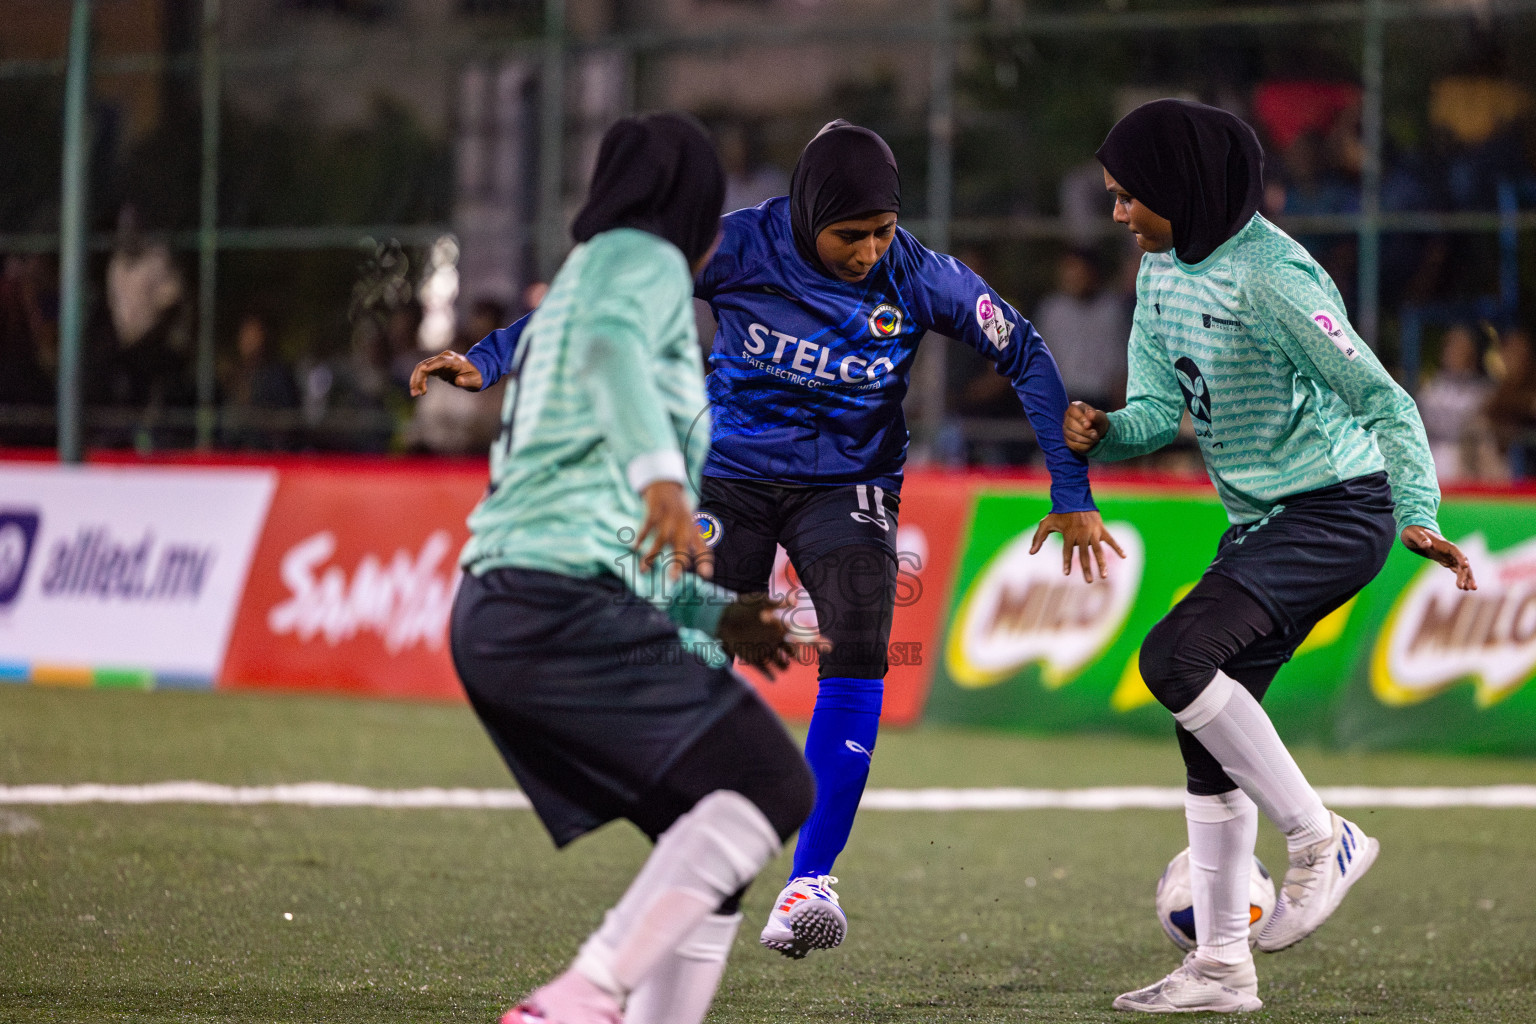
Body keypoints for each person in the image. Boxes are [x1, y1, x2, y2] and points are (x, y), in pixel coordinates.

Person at [441, 119, 1123, 960]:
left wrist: (1069, 486)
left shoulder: (921, 275)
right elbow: (606, 312)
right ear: (805, 216)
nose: (872, 250)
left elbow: (1024, 351)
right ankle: (692, 843)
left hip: (850, 485)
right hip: (729, 474)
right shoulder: (735, 246)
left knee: (861, 640)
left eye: (883, 230)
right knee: (695, 639)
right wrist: (493, 357)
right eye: (851, 235)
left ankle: (811, 883)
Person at [1066, 99, 1477, 1014]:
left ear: (1182, 187)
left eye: (1130, 196)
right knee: (1207, 724)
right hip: (1264, 524)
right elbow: (1155, 413)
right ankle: (1222, 970)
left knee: (1174, 660)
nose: (1120, 213)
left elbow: (1387, 402)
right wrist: (1102, 429)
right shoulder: (1161, 273)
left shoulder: (1275, 278)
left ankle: (1317, 837)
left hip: (1340, 510)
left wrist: (1417, 508)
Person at [410, 113, 816, 1024]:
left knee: (708, 843)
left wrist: (709, 615)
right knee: (771, 786)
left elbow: (596, 510)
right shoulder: (644, 261)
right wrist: (663, 481)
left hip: (507, 608)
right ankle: (584, 996)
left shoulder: (587, 279)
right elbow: (610, 366)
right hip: (553, 609)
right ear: (694, 205)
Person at [1416, 323, 1494, 481]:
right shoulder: (1430, 390)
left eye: (1461, 347)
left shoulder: (1484, 392)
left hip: (1469, 465)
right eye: (1450, 346)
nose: (1453, 352)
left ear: (1472, 353)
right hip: (1431, 461)